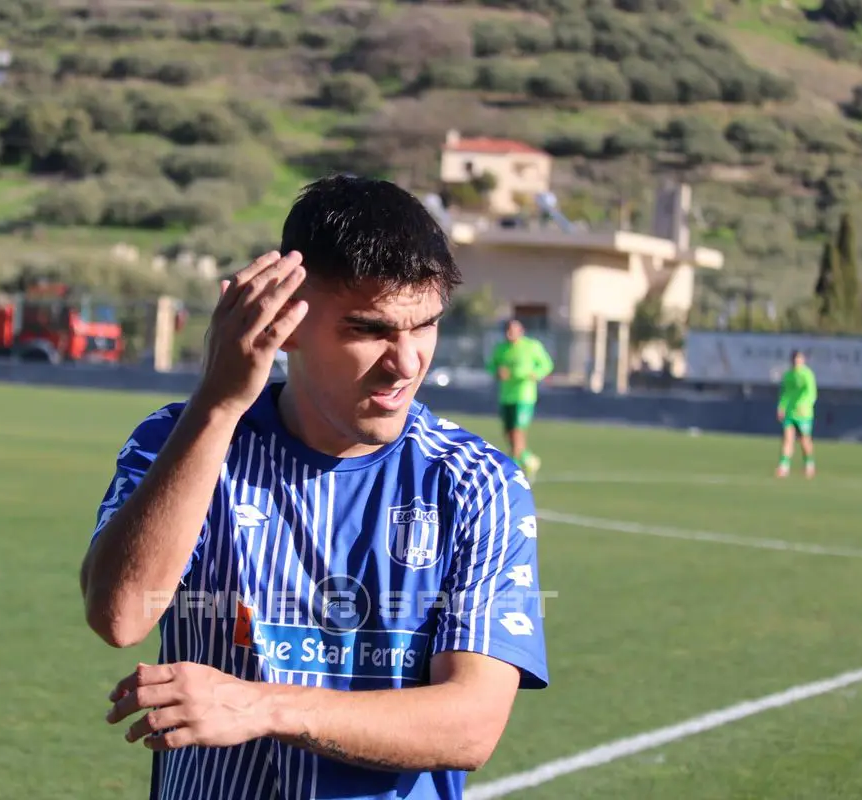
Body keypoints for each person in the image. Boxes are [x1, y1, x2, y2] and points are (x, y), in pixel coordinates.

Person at [80, 175, 548, 800]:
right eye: (370, 330)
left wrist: (261, 706)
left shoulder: (476, 482)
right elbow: (119, 616)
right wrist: (217, 406)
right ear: (287, 322)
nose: (407, 363)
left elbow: (470, 726)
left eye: (425, 326)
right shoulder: (179, 439)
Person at [486, 319, 554, 480]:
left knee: (517, 432)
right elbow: (491, 365)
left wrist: (536, 374)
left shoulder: (532, 346)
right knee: (508, 433)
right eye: (508, 330)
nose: (510, 334)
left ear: (521, 331)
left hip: (524, 396)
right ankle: (528, 459)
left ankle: (514, 469)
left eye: (513, 330)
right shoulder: (501, 348)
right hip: (506, 396)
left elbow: (547, 364)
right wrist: (497, 372)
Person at [775, 349, 818, 479]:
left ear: (803, 360)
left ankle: (809, 465)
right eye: (795, 359)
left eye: (799, 359)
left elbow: (811, 393)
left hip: (804, 413)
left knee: (804, 440)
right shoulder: (788, 375)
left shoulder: (807, 374)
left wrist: (805, 404)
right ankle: (784, 467)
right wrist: (781, 407)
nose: (797, 361)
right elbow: (785, 393)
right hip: (790, 412)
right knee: (787, 439)